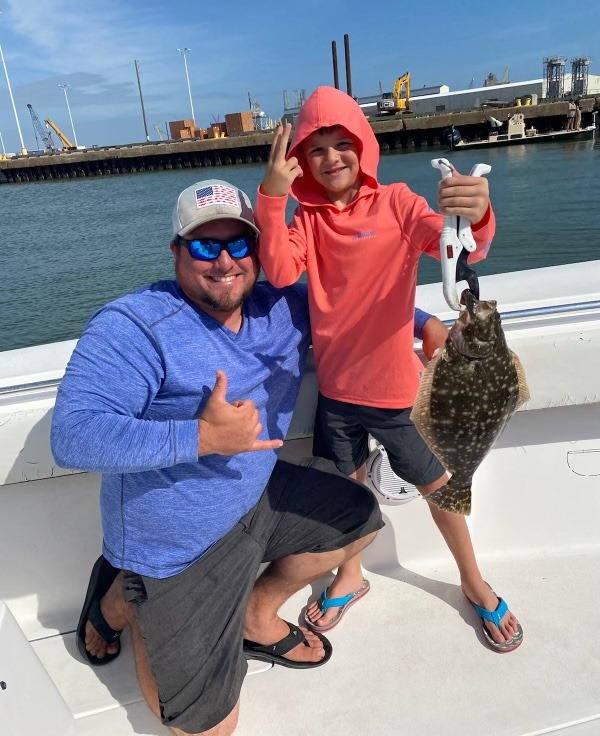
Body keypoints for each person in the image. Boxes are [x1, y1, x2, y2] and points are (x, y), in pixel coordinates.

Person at [51, 178, 384, 736]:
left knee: (361, 519)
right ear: (177, 251)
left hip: (257, 496)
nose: (225, 261)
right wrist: (200, 439)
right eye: (206, 246)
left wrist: (430, 325)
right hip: (174, 544)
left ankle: (256, 615)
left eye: (240, 244)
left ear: (259, 248)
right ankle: (122, 596)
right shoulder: (134, 325)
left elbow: (358, 301)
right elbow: (74, 436)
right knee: (210, 727)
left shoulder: (282, 306)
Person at [254, 85, 523, 652]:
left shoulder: (397, 201)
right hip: (337, 393)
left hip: (400, 394)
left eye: (342, 143)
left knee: (442, 491)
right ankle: (350, 577)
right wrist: (272, 198)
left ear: (364, 146)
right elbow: (279, 271)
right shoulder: (307, 218)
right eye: (317, 148)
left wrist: (477, 213)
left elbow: (455, 247)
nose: (332, 159)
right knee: (349, 495)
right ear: (301, 158)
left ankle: (472, 580)